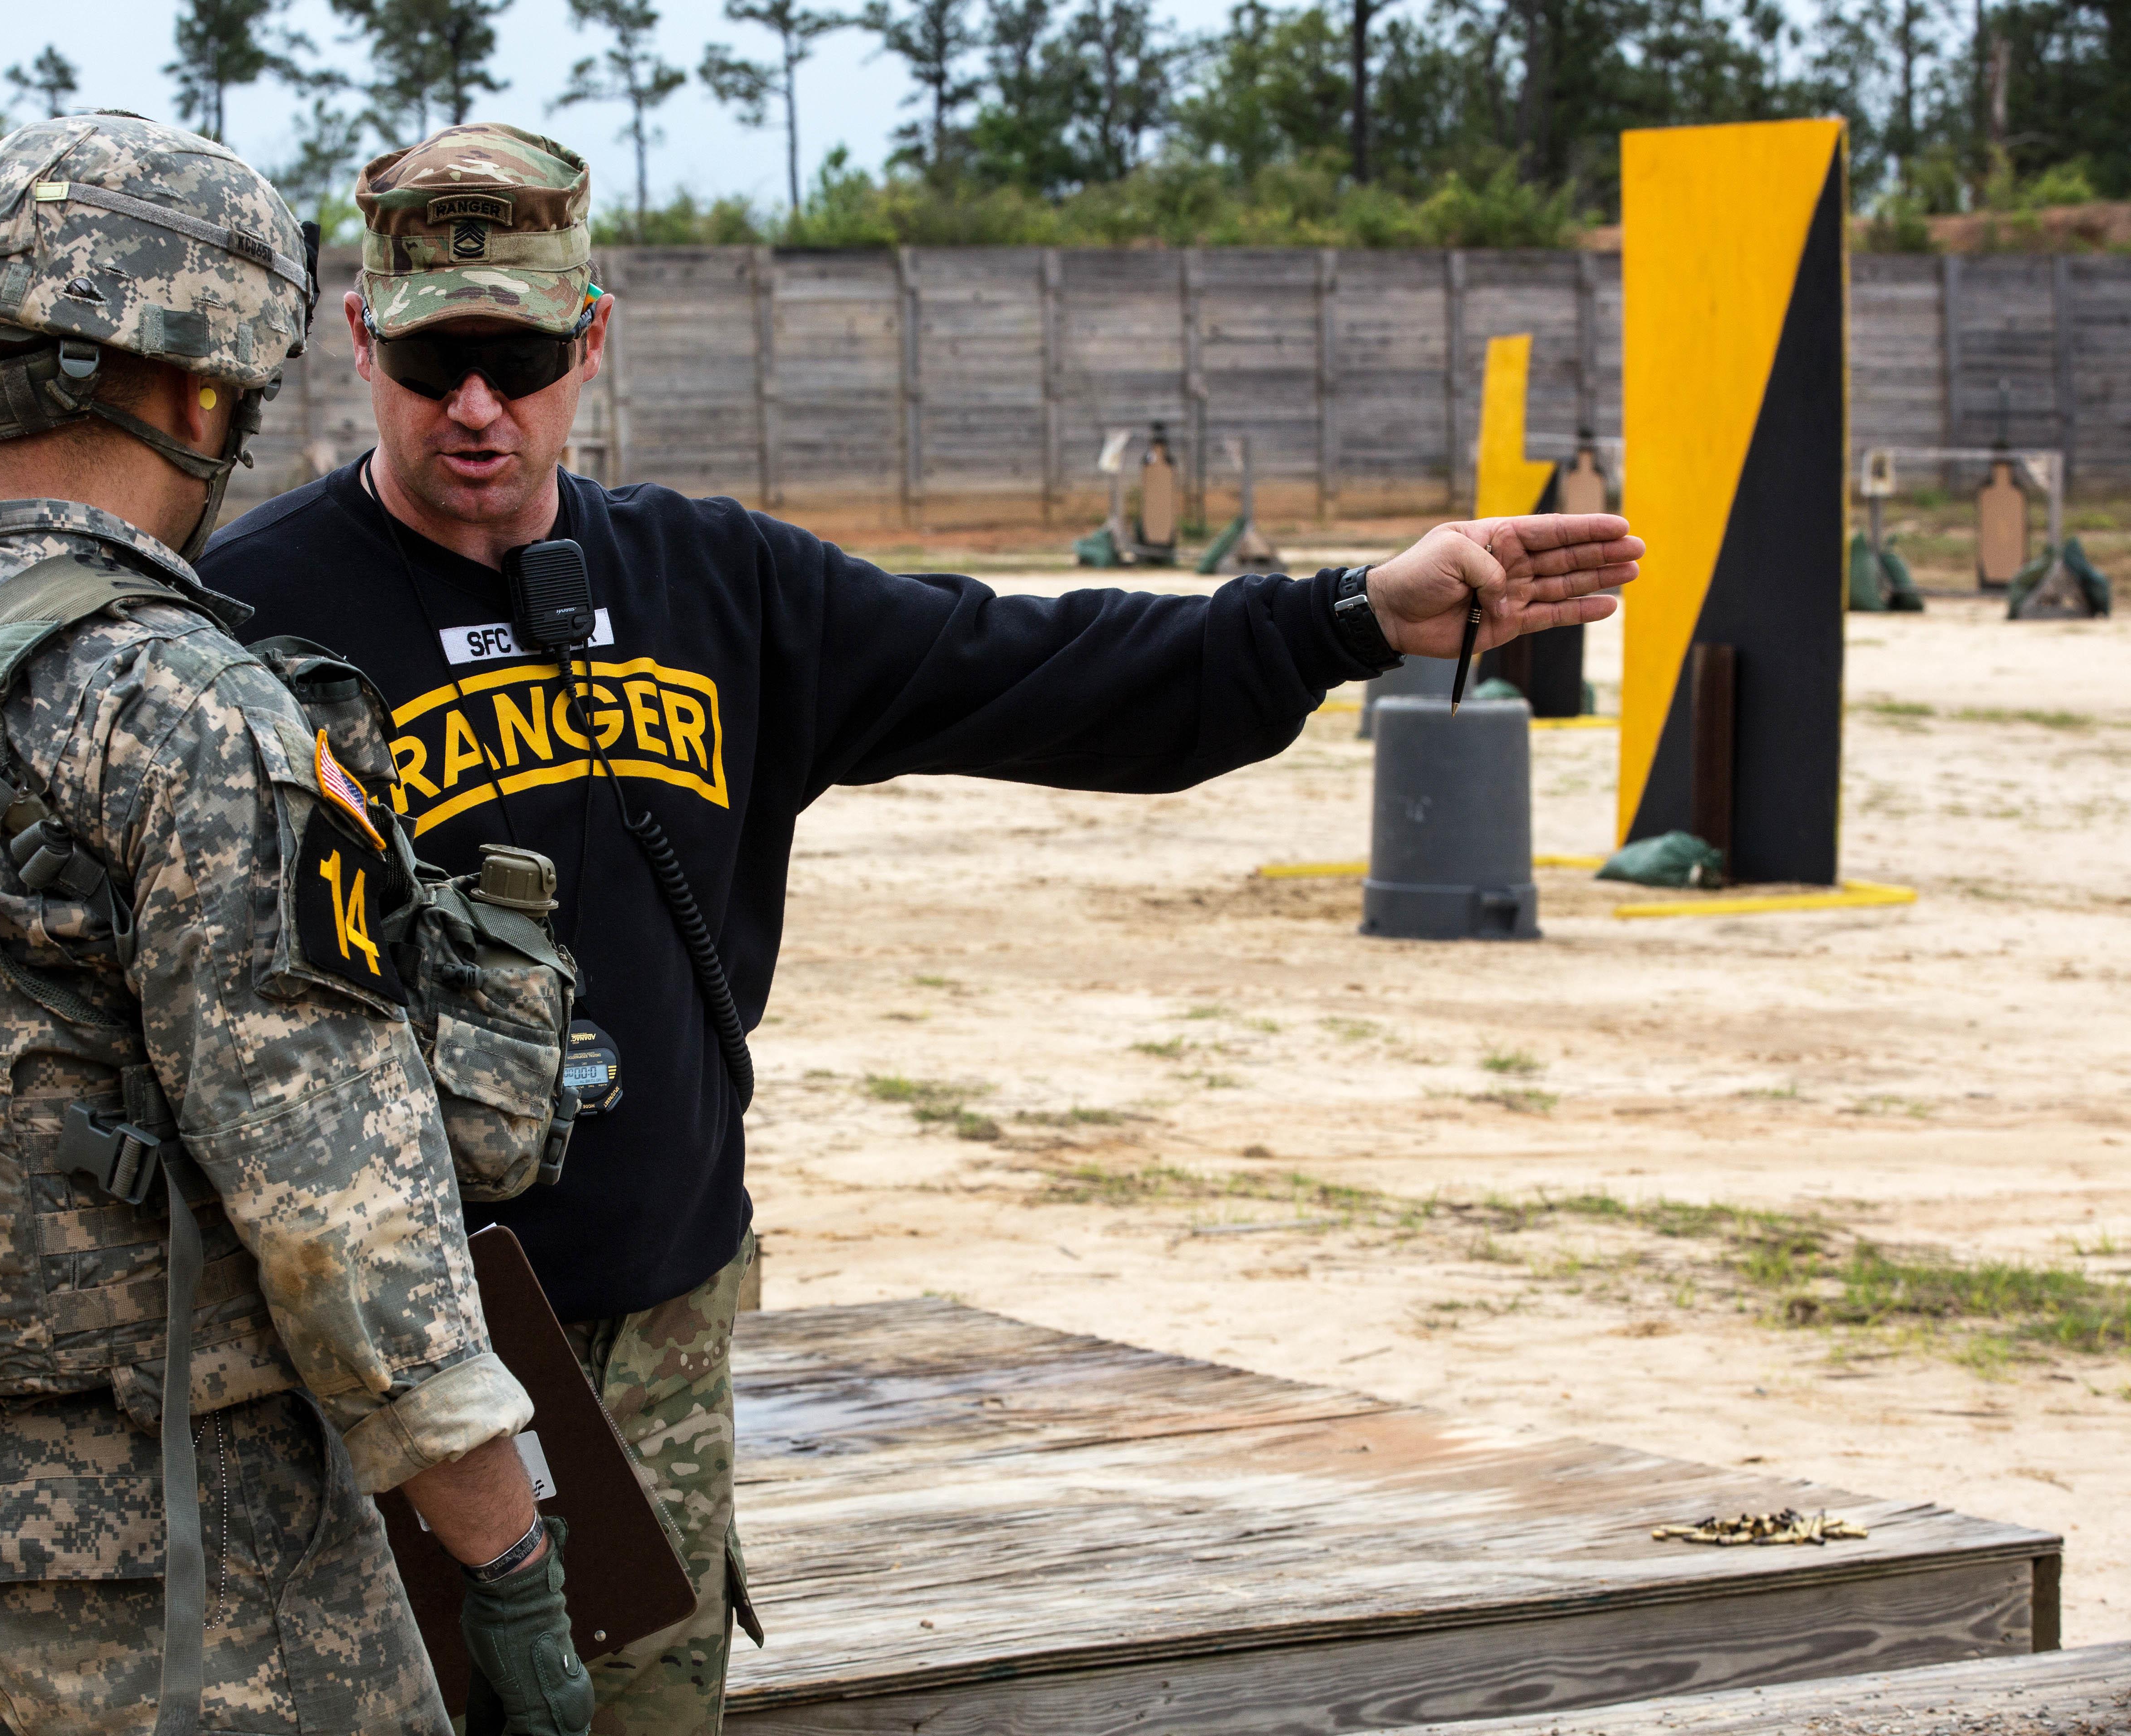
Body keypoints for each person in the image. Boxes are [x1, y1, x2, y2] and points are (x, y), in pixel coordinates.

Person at [200, 121, 1641, 1736]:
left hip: (657, 1339)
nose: (478, 407)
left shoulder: (715, 586)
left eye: (521, 358)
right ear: (360, 343)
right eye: (434, 360)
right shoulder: (245, 614)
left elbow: (1034, 668)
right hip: (368, 1363)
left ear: (590, 339)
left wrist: (1345, 619)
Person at [0, 113, 591, 1736]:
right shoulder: (182, 710)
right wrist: (507, 1560)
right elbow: (344, 1217)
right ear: (197, 391)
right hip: (171, 1568)